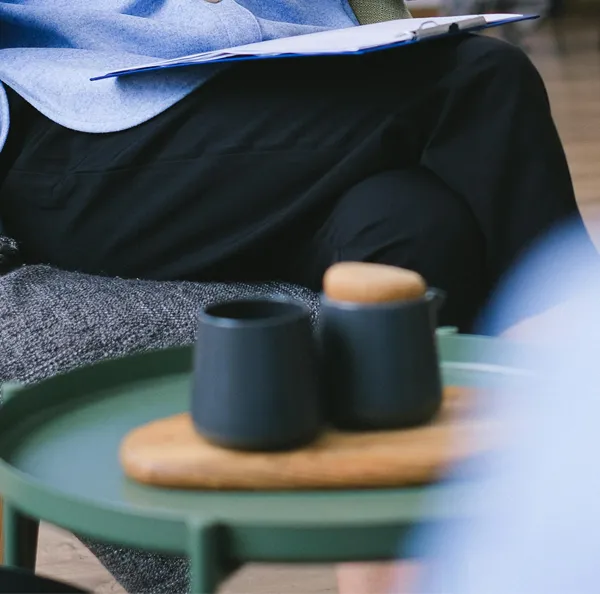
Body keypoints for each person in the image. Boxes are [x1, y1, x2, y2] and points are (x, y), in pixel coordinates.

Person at [0, 1, 596, 593]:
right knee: (482, 78)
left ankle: (395, 569)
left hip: (249, 89)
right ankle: (566, 418)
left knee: (411, 222)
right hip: (76, 122)